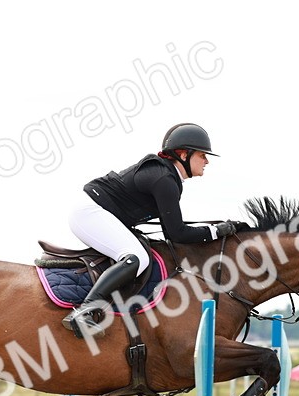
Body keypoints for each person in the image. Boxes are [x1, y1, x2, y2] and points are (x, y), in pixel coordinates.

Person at [61, 122, 239, 337]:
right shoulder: (164, 179)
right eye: (202, 155)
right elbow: (177, 234)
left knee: (143, 252)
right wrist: (216, 231)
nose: (206, 161)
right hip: (90, 213)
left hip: (99, 212)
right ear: (183, 154)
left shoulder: (167, 176)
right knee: (136, 257)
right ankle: (85, 311)